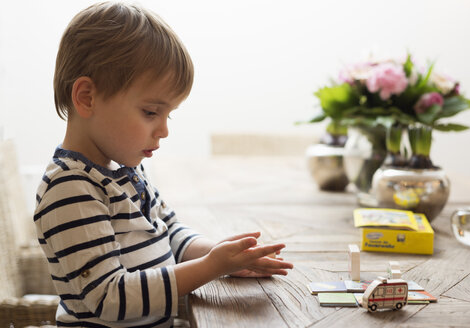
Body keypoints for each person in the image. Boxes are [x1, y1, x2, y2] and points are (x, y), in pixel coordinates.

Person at [33, 2, 293, 327]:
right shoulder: (70, 189)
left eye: (168, 115)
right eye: (151, 112)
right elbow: (109, 298)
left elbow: (168, 231)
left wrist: (219, 255)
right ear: (87, 97)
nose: (164, 130)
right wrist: (210, 267)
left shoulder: (125, 170)